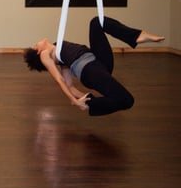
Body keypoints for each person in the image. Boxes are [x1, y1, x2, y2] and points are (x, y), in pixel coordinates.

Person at [23, 16, 164, 116]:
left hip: (99, 61)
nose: (38, 42)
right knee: (127, 100)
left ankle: (135, 37)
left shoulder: (59, 53)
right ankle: (92, 104)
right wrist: (75, 101)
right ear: (39, 51)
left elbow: (71, 86)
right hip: (90, 70)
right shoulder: (45, 55)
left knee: (96, 22)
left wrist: (79, 97)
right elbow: (61, 81)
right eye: (36, 45)